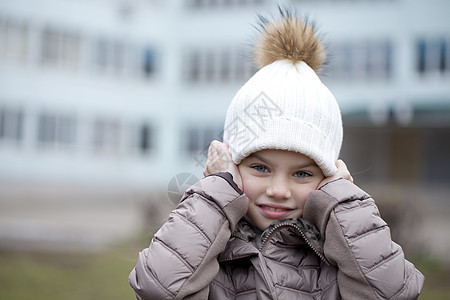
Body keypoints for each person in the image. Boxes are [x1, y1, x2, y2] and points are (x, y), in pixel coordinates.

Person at [129, 8, 424, 300]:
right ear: (232, 166)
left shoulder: (342, 257)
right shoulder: (207, 252)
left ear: (329, 177)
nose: (279, 190)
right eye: (260, 168)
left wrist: (343, 203)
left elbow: (392, 292)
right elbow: (159, 287)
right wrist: (218, 191)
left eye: (302, 173)